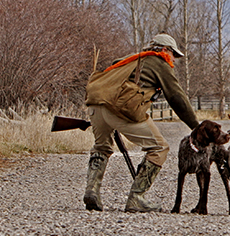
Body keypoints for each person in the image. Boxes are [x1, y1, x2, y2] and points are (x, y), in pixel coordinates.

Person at [84, 33, 200, 213]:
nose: (173, 60)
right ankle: (136, 198)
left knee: (101, 147)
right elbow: (177, 98)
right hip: (120, 109)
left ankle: (92, 191)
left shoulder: (128, 59)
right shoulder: (159, 62)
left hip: (95, 106)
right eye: (173, 55)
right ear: (164, 49)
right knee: (159, 148)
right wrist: (196, 126)